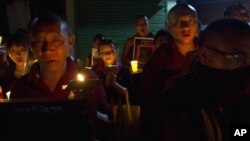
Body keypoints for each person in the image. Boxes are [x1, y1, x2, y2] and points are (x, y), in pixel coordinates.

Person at [9, 12, 111, 140]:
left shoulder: (89, 79)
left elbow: (109, 126)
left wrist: (93, 113)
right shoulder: (20, 88)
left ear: (71, 41)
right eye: (39, 41)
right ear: (30, 45)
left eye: (55, 40)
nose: (47, 49)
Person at [158, 18, 250, 141]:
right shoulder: (182, 101)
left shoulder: (242, 91)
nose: (247, 64)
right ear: (204, 55)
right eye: (237, 56)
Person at [140, 3, 200, 141]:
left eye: (191, 21)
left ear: (197, 24)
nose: (185, 26)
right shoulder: (161, 56)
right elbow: (149, 93)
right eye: (178, 22)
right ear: (169, 27)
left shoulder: (206, 50)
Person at [92, 38, 132, 140]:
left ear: (116, 51)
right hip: (102, 114)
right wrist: (105, 85)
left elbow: (130, 93)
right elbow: (94, 95)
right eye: (103, 52)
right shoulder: (95, 72)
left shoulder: (124, 70)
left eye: (110, 51)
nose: (107, 55)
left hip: (121, 113)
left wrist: (115, 84)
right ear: (99, 54)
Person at [0, 29, 30, 98]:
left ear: (29, 50)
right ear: (8, 53)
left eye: (22, 50)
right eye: (13, 51)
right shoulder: (5, 76)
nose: (18, 55)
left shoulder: (36, 72)